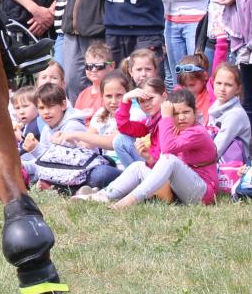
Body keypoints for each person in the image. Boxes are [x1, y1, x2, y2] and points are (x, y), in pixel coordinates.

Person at [86, 88, 218, 208]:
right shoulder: (173, 128)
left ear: (195, 112)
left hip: (203, 194)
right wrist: (149, 158)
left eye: (186, 112)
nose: (182, 117)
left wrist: (166, 117)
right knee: (138, 166)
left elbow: (168, 151)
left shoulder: (197, 132)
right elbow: (169, 167)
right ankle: (102, 196)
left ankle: (129, 201)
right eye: (176, 114)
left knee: (169, 158)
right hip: (180, 190)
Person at [61, 69, 131, 194]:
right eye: (108, 96)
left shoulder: (131, 115)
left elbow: (111, 142)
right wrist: (66, 141)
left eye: (119, 95)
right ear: (102, 96)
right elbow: (87, 144)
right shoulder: (101, 114)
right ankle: (87, 190)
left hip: (126, 169)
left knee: (100, 174)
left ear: (127, 94)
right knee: (82, 170)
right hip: (105, 164)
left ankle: (89, 190)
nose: (113, 101)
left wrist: (76, 134)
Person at [19, 82, 86, 186]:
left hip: (81, 172)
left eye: (50, 106)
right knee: (23, 159)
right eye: (41, 108)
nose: (46, 112)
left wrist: (36, 149)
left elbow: (60, 164)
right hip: (58, 169)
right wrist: (21, 166)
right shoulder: (47, 128)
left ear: (63, 105)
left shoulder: (72, 126)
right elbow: (42, 162)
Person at [111, 77, 167, 169]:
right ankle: (137, 179)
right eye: (142, 101)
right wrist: (125, 99)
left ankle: (139, 179)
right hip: (153, 163)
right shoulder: (149, 121)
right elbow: (124, 127)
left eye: (150, 98)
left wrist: (149, 157)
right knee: (120, 140)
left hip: (166, 168)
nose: (146, 104)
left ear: (164, 96)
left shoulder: (169, 118)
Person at [207, 62, 250, 164]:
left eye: (228, 85)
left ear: (238, 89)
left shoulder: (235, 114)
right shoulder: (215, 106)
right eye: (219, 83)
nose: (222, 89)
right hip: (217, 162)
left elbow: (216, 150)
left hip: (234, 169)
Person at [73, 42, 114, 121]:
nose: (93, 70)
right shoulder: (82, 95)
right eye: (89, 66)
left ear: (111, 66)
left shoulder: (113, 93)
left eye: (99, 66)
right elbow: (76, 119)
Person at [175, 53, 210, 124]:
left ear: (205, 76)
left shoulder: (211, 91)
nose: (188, 89)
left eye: (192, 85)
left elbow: (218, 61)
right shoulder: (178, 94)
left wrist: (221, 43)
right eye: (184, 86)